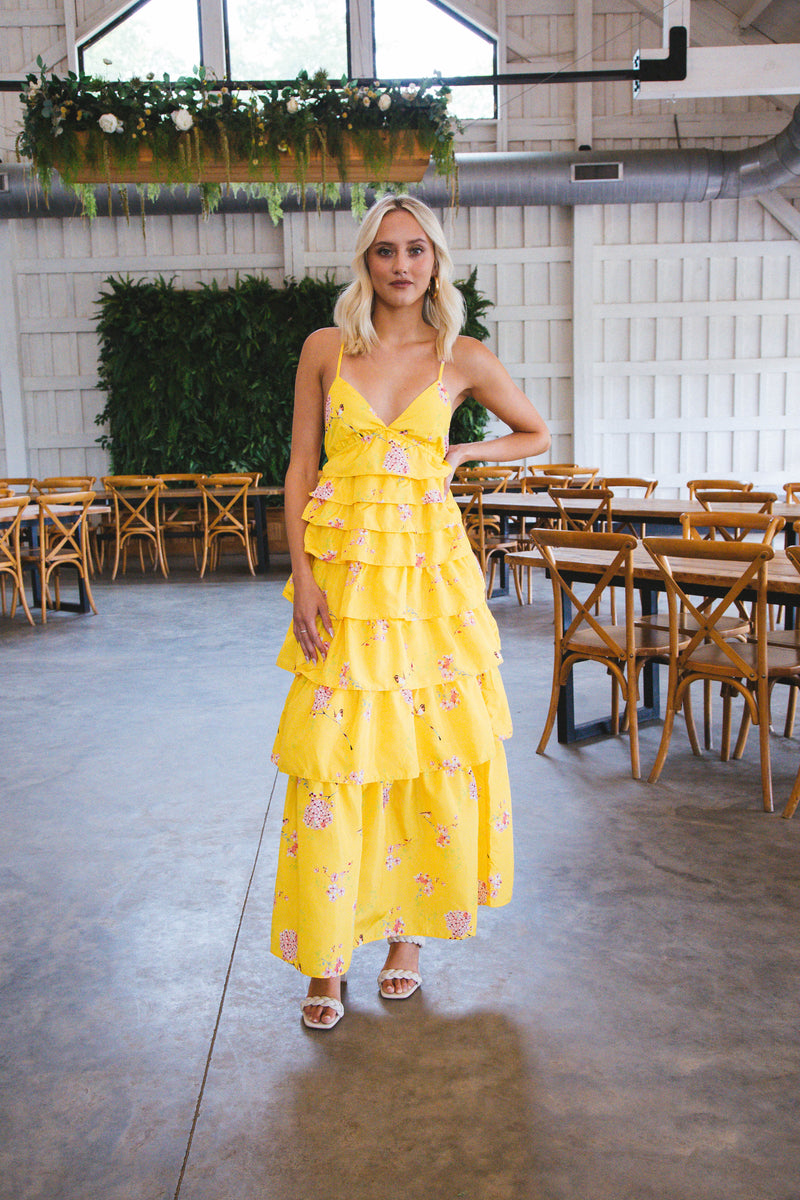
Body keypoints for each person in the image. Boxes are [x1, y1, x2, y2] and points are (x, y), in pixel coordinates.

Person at [270, 193, 550, 1029]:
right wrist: (305, 577)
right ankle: (325, 955)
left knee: (424, 752)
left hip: (431, 589)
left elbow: (534, 431)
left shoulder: (461, 356)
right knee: (332, 759)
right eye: (386, 250)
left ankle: (406, 940)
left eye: (416, 250)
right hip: (347, 584)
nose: (401, 264)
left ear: (436, 262)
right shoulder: (326, 347)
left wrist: (463, 449)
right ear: (366, 261)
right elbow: (297, 468)